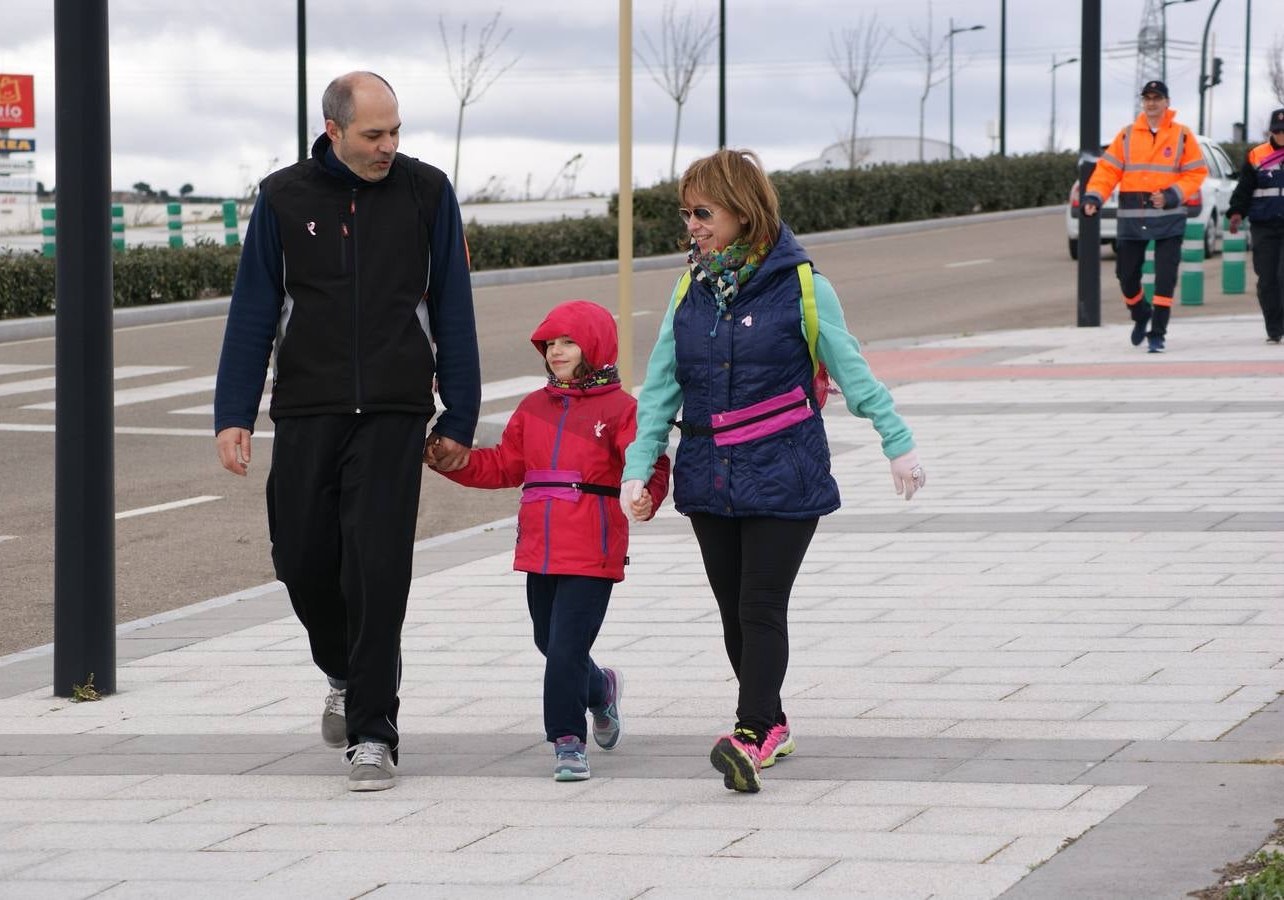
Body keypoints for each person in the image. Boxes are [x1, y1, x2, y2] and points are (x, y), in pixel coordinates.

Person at [619, 149, 924, 794]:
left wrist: (896, 441)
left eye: (704, 212)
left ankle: (751, 732)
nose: (693, 225)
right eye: (687, 213)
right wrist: (639, 467)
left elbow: (850, 367)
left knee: (760, 604)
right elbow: (660, 387)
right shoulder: (690, 287)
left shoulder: (803, 285)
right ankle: (774, 721)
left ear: (742, 208)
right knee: (733, 612)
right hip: (709, 474)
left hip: (785, 470)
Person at [212, 71, 480, 791]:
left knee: (376, 563)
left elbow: (453, 305)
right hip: (307, 407)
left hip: (394, 409)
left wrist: (460, 412)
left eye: (395, 131)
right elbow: (252, 311)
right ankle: (344, 666)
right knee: (300, 555)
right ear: (333, 131)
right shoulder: (282, 197)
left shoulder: (427, 193)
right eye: (373, 134)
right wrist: (233, 413)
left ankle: (373, 731)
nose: (389, 145)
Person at [434, 300, 670, 781]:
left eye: (567, 341)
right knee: (549, 640)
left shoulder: (622, 410)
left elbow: (651, 461)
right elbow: (504, 465)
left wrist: (646, 494)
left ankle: (567, 741)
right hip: (540, 546)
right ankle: (601, 690)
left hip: (593, 545)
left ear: (595, 346)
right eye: (550, 344)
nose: (555, 352)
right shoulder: (532, 408)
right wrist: (448, 462)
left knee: (565, 649)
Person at [1082, 79, 1207, 354]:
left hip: (1169, 219)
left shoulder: (1182, 135)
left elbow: (1196, 173)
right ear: (1143, 102)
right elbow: (1107, 171)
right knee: (1125, 275)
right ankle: (1140, 313)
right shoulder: (1126, 135)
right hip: (1132, 219)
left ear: (1167, 103)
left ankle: (1158, 333)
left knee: (1165, 278)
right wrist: (1093, 197)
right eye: (1147, 98)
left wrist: (1172, 194)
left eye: (1157, 98)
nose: (1151, 102)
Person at [1228, 108, 1284, 344]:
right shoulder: (1256, 156)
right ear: (1270, 131)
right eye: (1278, 131)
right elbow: (1244, 189)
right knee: (1267, 279)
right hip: (1263, 226)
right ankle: (1274, 329)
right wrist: (1236, 213)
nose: (1282, 136)